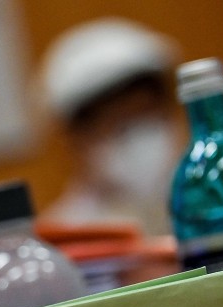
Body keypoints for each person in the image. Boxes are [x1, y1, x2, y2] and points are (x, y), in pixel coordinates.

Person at [37, 18, 184, 236]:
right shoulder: (62, 240)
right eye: (120, 127)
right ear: (78, 140)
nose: (140, 139)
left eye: (147, 119)